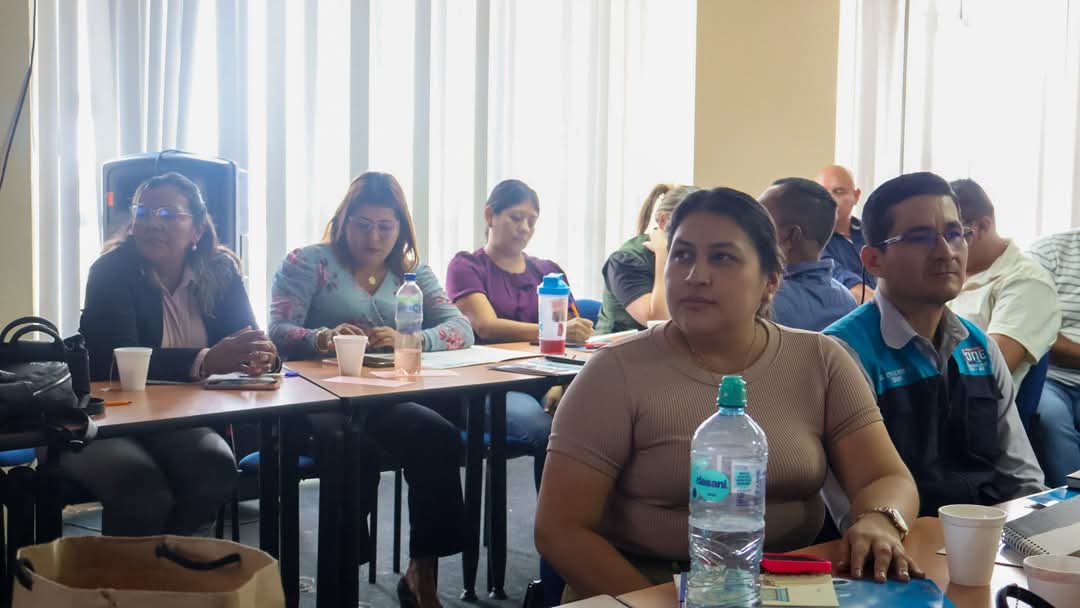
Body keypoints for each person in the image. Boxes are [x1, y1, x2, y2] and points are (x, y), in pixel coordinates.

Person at [536, 187, 922, 600]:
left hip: (785, 585)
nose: (695, 275)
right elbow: (561, 529)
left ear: (770, 281)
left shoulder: (820, 359)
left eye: (722, 258)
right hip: (643, 585)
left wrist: (880, 520)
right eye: (682, 255)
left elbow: (885, 477)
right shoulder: (614, 372)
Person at [269, 171, 472, 608]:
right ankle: (341, 578)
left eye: (385, 226)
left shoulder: (412, 273)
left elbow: (461, 328)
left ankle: (421, 572)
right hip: (319, 396)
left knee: (439, 433)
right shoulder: (309, 262)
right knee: (352, 447)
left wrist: (411, 339)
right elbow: (278, 330)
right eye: (362, 225)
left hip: (384, 395)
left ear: (400, 229)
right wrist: (322, 337)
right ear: (343, 222)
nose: (374, 237)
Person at [823, 172, 1045, 530]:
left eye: (955, 234)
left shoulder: (979, 348)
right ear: (874, 260)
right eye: (921, 237)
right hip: (896, 544)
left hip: (986, 541)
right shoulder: (843, 354)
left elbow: (1023, 481)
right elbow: (854, 514)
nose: (946, 252)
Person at [72, 172, 264, 535]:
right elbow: (117, 359)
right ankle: (132, 570)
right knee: (141, 488)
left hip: (179, 419)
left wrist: (262, 356)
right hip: (113, 419)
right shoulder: (112, 271)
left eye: (166, 214)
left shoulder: (220, 270)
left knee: (214, 467)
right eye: (142, 213)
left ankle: (170, 559)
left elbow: (245, 338)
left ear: (197, 229)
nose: (151, 224)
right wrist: (205, 360)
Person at [446, 179, 591, 488]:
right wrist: (553, 332)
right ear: (489, 216)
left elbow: (572, 338)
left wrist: (561, 383)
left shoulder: (548, 271)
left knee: (597, 423)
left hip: (550, 379)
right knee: (548, 431)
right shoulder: (467, 266)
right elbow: (486, 325)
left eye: (531, 221)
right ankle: (553, 516)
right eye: (515, 217)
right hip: (492, 386)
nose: (524, 228)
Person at [947, 179, 1060, 388]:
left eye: (953, 236)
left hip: (965, 401)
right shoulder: (947, 272)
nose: (945, 249)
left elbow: (986, 371)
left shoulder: (1027, 283)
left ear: (984, 226)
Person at [596, 184, 699, 333]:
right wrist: (663, 255)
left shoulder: (696, 258)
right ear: (663, 220)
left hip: (674, 346)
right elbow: (659, 321)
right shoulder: (626, 260)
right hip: (621, 346)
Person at [760, 177, 857, 331]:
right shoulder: (847, 301)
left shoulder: (764, 299)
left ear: (790, 236)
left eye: (761, 222)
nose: (751, 229)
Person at [1028, 229, 1080, 486]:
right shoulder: (1049, 252)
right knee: (1051, 419)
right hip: (1050, 377)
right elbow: (1037, 327)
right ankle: (1073, 503)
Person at [817, 165, 876, 303]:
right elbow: (847, 284)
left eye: (838, 192)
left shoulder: (872, 232)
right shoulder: (813, 240)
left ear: (856, 196)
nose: (830, 200)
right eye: (823, 193)